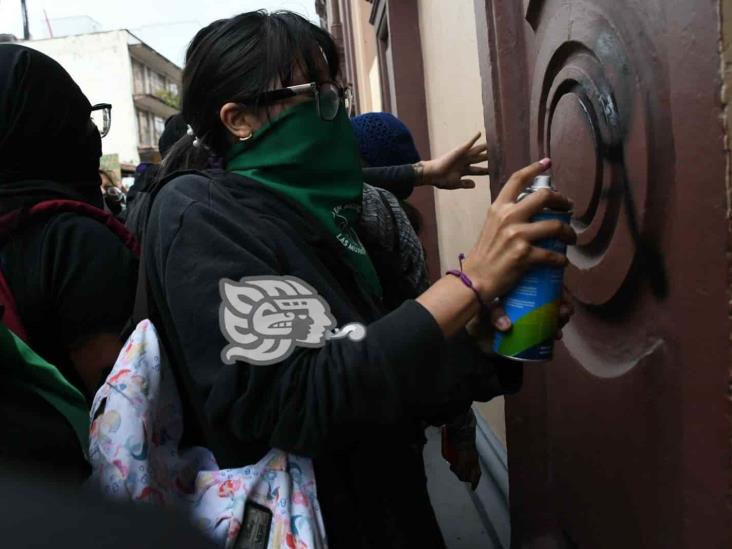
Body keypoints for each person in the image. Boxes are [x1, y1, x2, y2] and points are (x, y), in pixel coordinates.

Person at [142, 11, 574, 548]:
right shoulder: (200, 214)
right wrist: (467, 284)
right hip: (309, 524)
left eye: (336, 92)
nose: (336, 113)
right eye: (316, 95)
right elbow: (295, 402)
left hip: (391, 507)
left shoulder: (332, 212)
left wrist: (479, 343)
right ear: (239, 119)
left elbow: (384, 367)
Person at [0, 44, 138, 482]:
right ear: (48, 125)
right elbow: (124, 404)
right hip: (80, 490)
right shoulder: (73, 240)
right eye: (82, 116)